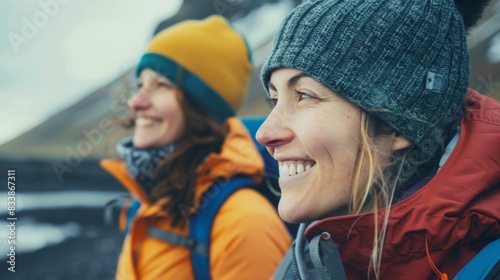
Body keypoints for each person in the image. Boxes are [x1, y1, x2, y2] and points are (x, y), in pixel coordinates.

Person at [256, 0, 500, 279]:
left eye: (305, 96)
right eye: (273, 99)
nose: (265, 134)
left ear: (398, 126)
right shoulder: (306, 260)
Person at [100, 15, 291, 280]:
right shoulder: (150, 203)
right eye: (141, 85)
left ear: (201, 106)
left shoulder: (244, 224)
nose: (136, 102)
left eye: (161, 85)